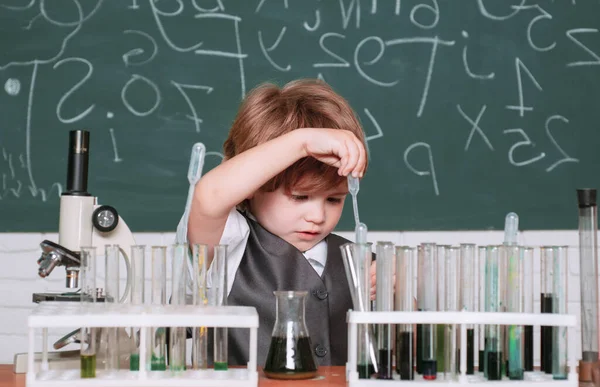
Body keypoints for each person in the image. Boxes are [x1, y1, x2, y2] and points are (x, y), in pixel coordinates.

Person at [187, 78, 374, 367]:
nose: (318, 216)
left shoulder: (356, 260)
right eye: (300, 197)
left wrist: (393, 291)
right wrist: (303, 143)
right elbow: (209, 197)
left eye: (334, 200)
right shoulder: (228, 248)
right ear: (253, 185)